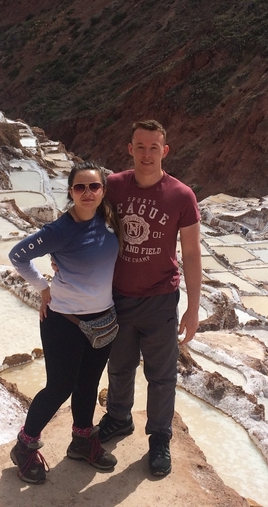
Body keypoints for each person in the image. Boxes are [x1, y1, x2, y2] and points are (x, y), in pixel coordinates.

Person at [95, 119, 202, 477]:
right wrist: (63, 260)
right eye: (140, 146)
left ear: (164, 151)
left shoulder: (181, 196)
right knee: (119, 365)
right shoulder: (113, 186)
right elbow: (86, 223)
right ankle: (119, 418)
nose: (146, 154)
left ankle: (159, 437)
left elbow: (191, 253)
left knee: (161, 374)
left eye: (153, 147)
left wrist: (193, 308)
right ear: (130, 149)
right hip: (118, 295)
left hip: (160, 298)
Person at [7, 161, 122, 485]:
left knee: (88, 384)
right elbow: (18, 256)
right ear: (71, 191)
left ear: (103, 191)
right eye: (80, 187)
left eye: (94, 186)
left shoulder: (108, 220)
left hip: (103, 318)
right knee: (59, 387)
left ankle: (82, 441)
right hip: (64, 321)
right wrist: (43, 288)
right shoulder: (59, 230)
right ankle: (24, 445)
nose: (88, 193)